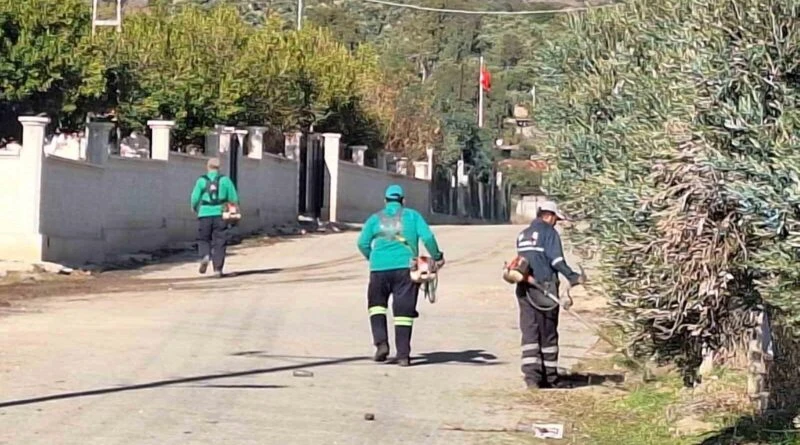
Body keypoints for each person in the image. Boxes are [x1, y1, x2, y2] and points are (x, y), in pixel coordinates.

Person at [357, 185, 444, 367]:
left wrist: (372, 258)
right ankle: (403, 355)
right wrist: (437, 257)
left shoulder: (375, 218)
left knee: (376, 307)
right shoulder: (412, 216)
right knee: (403, 313)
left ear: (385, 201)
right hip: (406, 269)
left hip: (378, 270)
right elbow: (427, 237)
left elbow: (362, 242)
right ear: (403, 201)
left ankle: (381, 344)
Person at [515, 200, 585, 389]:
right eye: (556, 219)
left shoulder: (524, 234)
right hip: (544, 288)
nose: (556, 223)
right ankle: (551, 378)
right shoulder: (549, 232)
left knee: (530, 330)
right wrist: (573, 277)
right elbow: (556, 260)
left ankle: (532, 378)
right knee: (548, 333)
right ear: (550, 216)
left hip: (523, 288)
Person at [190, 158, 239, 278]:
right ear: (219, 168)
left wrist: (194, 207)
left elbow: (195, 197)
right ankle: (218, 269)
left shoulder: (202, 181)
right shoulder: (225, 180)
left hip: (205, 213)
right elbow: (233, 198)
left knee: (204, 238)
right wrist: (233, 215)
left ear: (208, 167)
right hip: (220, 214)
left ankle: (205, 255)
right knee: (220, 241)